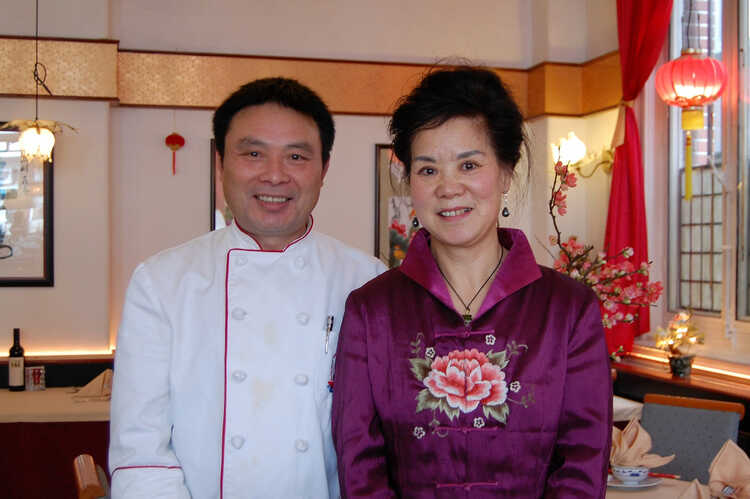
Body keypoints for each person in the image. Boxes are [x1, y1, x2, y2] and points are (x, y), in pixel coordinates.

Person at [332, 67, 612, 498]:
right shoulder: (372, 309)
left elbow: (582, 461)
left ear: (505, 172)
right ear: (410, 182)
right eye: (428, 170)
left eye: (469, 164)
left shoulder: (568, 309)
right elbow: (360, 462)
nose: (448, 187)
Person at [109, 77, 386, 499]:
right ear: (221, 163)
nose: (275, 175)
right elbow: (141, 452)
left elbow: (384, 444)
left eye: (296, 156)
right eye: (253, 153)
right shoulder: (162, 282)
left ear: (324, 169)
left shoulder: (367, 281)